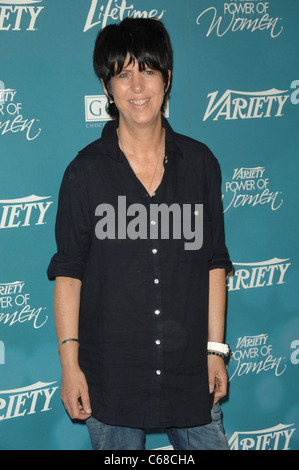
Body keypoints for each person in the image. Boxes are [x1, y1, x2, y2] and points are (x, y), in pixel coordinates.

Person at [47, 17, 233, 451]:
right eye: (123, 74)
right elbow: (69, 273)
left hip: (190, 374)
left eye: (147, 70)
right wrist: (69, 365)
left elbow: (214, 263)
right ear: (106, 86)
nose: (136, 87)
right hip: (111, 378)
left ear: (166, 78)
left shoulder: (201, 164)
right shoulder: (84, 173)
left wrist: (215, 350)